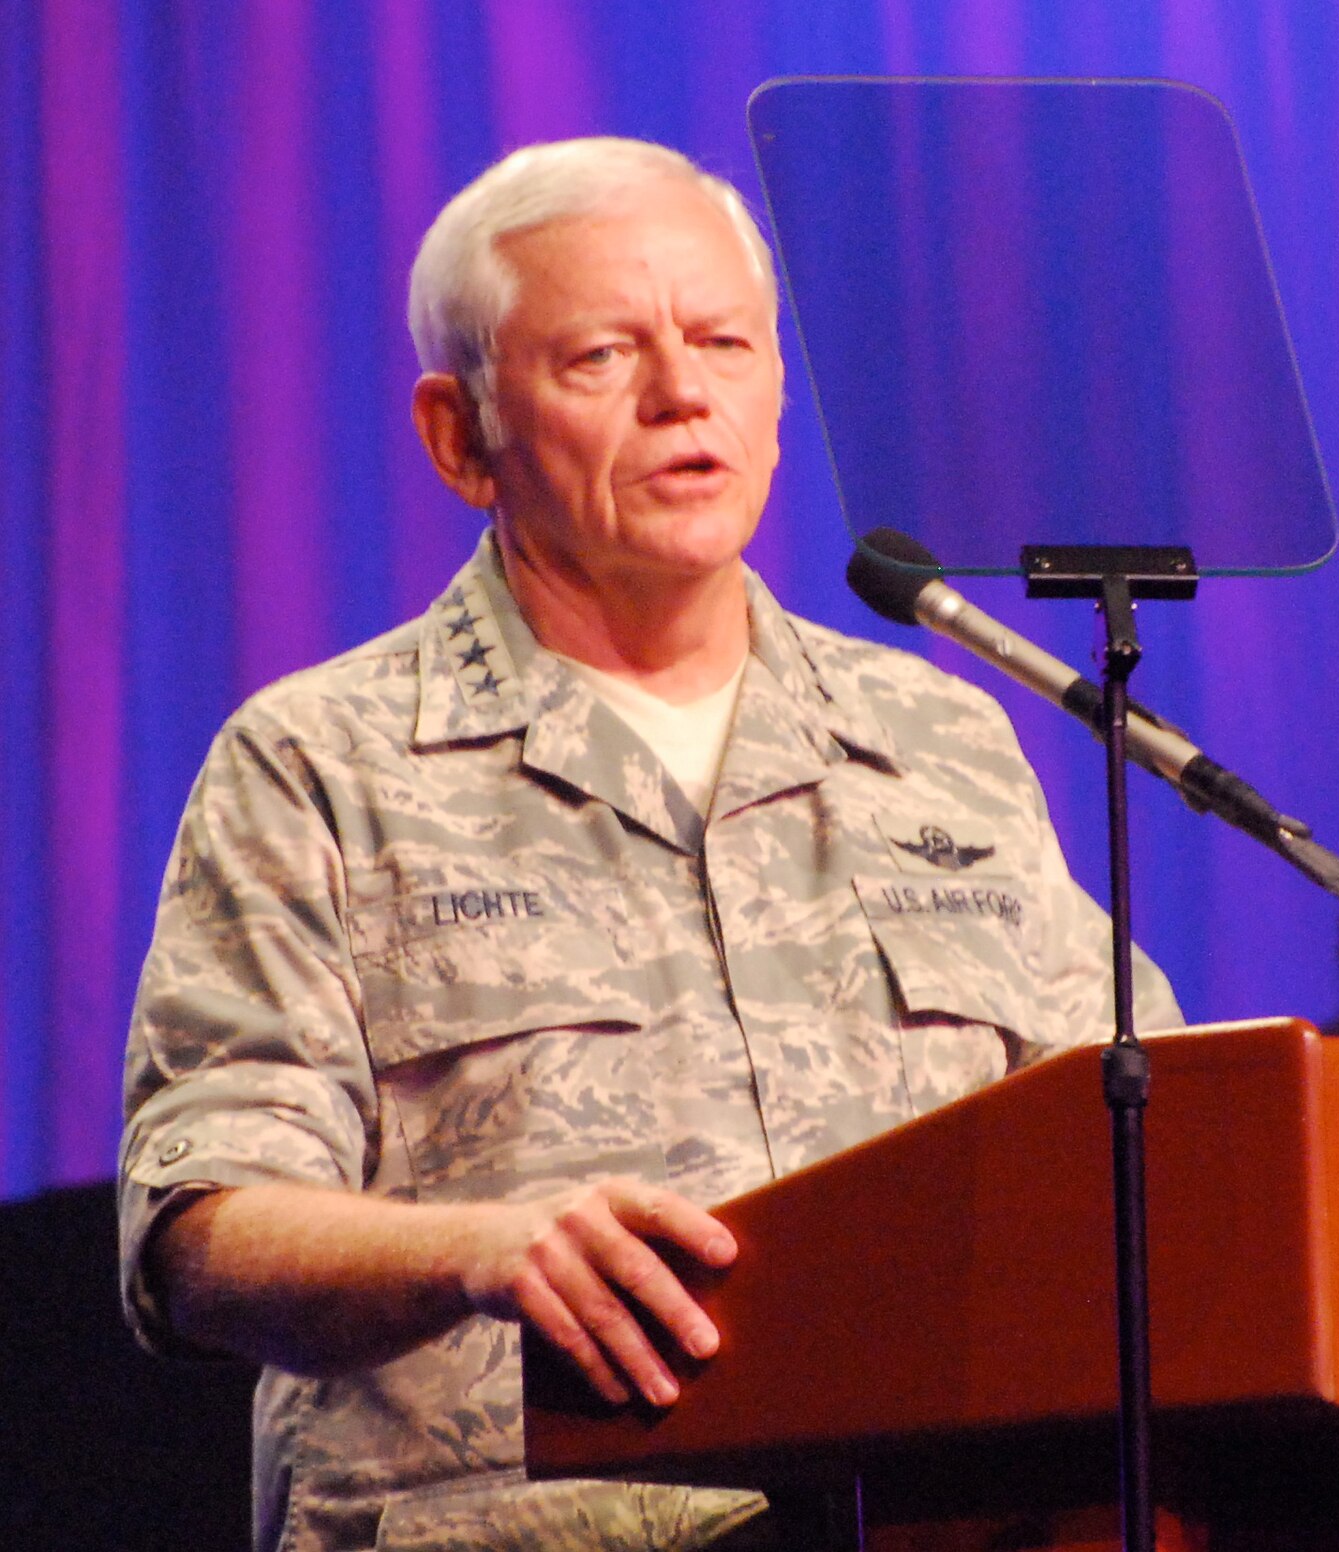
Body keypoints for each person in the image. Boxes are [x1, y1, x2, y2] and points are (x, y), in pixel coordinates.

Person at [117, 137, 1182, 1552]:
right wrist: (482, 1250)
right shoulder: (322, 762)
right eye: (606, 356)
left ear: (780, 393)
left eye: (725, 342)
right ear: (461, 434)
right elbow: (198, 1232)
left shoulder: (938, 741)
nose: (686, 395)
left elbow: (1155, 1148)